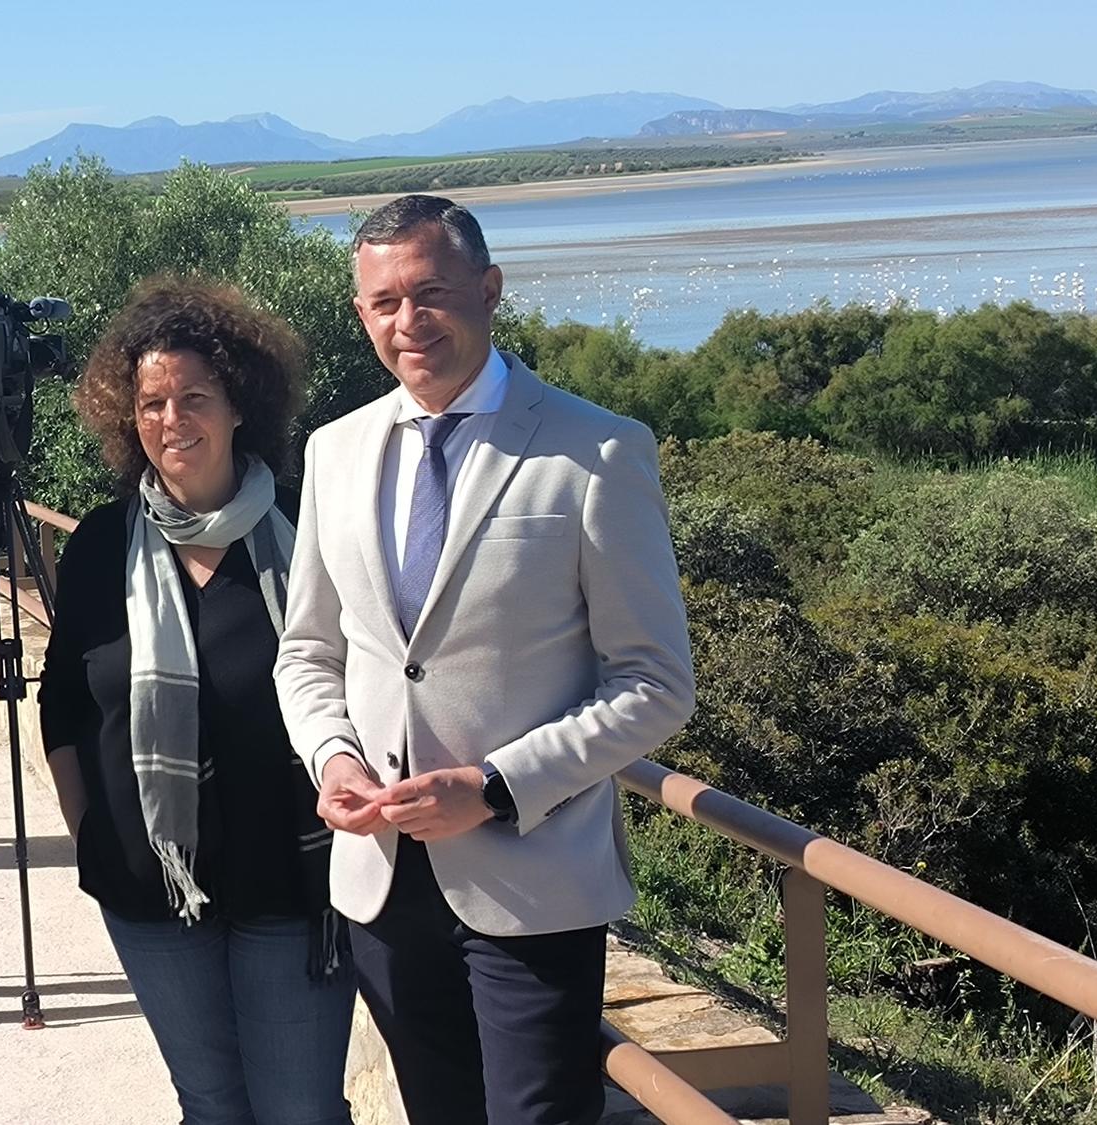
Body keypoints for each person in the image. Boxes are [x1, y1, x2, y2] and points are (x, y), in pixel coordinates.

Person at [272, 194, 696, 1125]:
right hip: (381, 879)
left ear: (490, 289)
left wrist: (496, 785)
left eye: (431, 292)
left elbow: (657, 682)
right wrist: (333, 756)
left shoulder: (599, 449)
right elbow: (307, 651)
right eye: (384, 302)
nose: (408, 321)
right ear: (360, 313)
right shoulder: (335, 452)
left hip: (532, 874)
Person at [38, 276, 356, 1125]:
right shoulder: (104, 545)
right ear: (125, 415)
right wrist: (90, 832)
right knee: (211, 1106)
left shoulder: (310, 524)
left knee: (301, 1110)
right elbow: (63, 703)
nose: (171, 420)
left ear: (240, 404)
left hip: (294, 885)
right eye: (151, 402)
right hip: (149, 892)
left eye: (193, 397)